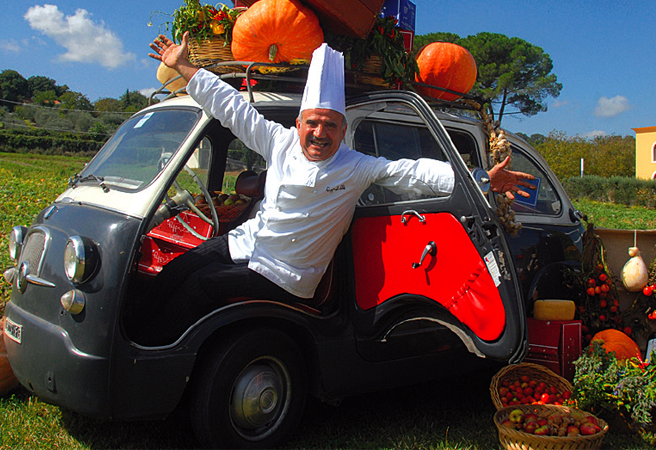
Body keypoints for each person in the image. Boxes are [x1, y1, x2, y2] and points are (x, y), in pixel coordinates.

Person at [138, 32, 536, 344]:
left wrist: (482, 179)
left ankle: (153, 348)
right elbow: (233, 108)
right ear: (299, 124)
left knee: (201, 286)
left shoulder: (355, 166)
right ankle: (130, 325)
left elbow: (411, 172)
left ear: (342, 130)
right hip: (249, 242)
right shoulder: (279, 142)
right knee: (180, 267)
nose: (319, 133)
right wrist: (184, 67)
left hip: (288, 273)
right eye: (312, 123)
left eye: (330, 125)